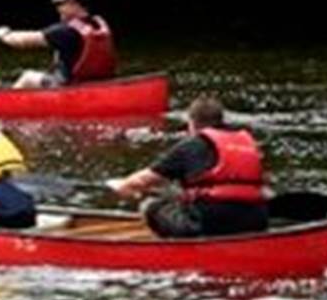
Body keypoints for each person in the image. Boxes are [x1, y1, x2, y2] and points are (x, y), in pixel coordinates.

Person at [108, 96, 270, 238]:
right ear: (221, 120)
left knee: (149, 205)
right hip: (256, 220)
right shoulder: (249, 144)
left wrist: (121, 186)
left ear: (191, 123)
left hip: (210, 224)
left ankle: (172, 250)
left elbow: (141, 181)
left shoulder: (190, 146)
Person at [0, 0, 116, 88]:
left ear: (73, 4)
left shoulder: (64, 31)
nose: (58, 8)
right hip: (96, 83)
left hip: (68, 86)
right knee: (48, 73)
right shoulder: (97, 25)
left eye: (62, 4)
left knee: (28, 77)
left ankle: (5, 105)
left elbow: (22, 41)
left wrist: (4, 34)